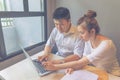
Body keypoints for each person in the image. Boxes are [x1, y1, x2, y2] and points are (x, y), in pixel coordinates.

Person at [43, 10, 120, 76]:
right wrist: (72, 68)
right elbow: (82, 60)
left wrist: (55, 66)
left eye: (82, 33)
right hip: (99, 72)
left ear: (92, 31)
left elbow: (82, 62)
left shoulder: (106, 45)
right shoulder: (88, 40)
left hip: (112, 75)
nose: (80, 36)